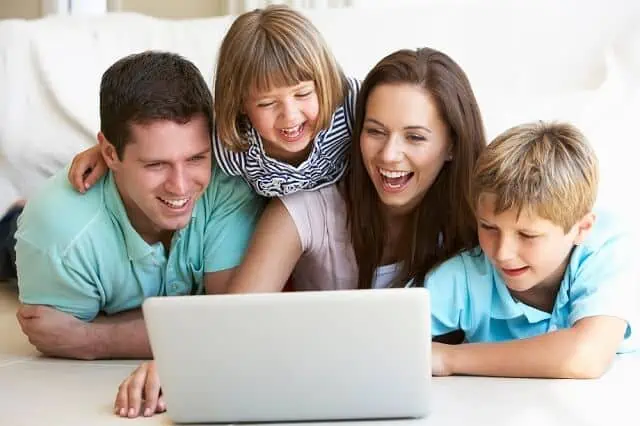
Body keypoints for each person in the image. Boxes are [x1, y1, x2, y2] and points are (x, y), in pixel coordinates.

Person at [113, 46, 486, 418]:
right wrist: (179, 364)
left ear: (451, 143)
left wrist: (448, 359)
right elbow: (233, 320)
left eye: (415, 138)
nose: (389, 155)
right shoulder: (307, 207)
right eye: (375, 131)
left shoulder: (483, 217)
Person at [14, 51, 263, 360]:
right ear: (110, 153)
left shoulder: (230, 182)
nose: (181, 186)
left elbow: (227, 326)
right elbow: (52, 335)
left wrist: (96, 339)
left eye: (196, 158)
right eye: (156, 164)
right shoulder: (60, 235)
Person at [69, 5, 359, 198]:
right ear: (241, 104)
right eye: (267, 104)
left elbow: (395, 114)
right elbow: (172, 141)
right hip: (279, 225)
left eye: (303, 94)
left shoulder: (348, 105)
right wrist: (102, 152)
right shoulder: (232, 143)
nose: (290, 115)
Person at [428, 121, 639, 379]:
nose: (502, 253)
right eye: (488, 227)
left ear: (581, 229)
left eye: (527, 235)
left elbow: (585, 357)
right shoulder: (464, 276)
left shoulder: (609, 247)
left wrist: (450, 358)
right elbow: (381, 337)